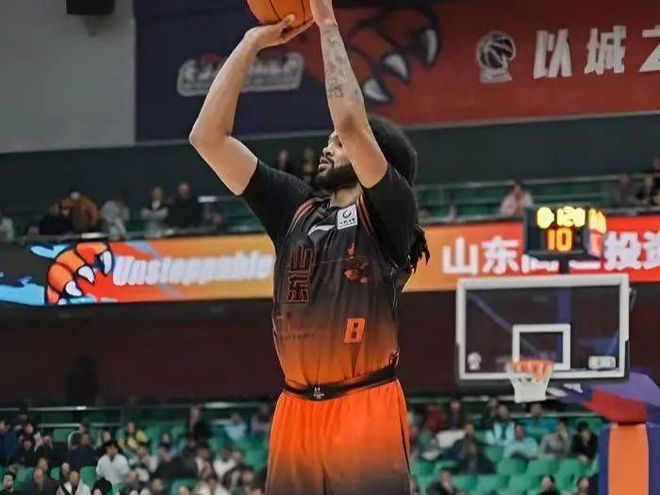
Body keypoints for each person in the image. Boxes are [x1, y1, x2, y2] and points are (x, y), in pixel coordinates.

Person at [189, 3, 429, 493]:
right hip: (296, 408)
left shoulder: (391, 211)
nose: (328, 147)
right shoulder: (295, 208)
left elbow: (352, 122)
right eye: (330, 141)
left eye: (336, 143)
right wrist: (251, 43)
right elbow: (208, 139)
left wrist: (326, 21)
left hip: (365, 403)